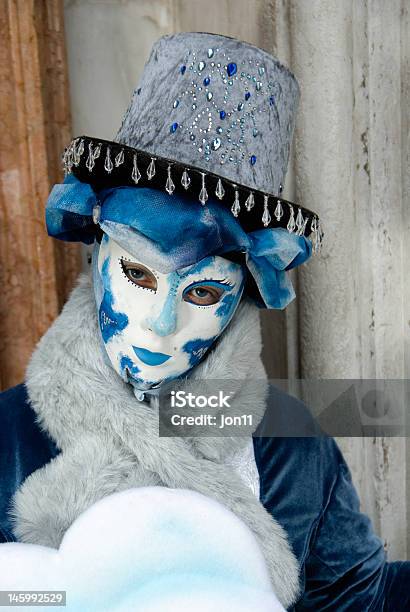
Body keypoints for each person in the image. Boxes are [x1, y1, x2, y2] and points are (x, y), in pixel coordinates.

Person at [0, 32, 408, 611]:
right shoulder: (7, 439)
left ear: (242, 293)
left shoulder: (290, 442)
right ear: (97, 257)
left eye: (203, 290)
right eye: (139, 275)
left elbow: (356, 598)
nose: (160, 323)